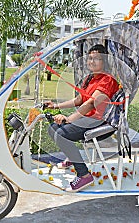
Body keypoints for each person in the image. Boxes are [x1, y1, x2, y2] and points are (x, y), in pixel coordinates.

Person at [46, 44, 119, 192]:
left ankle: (84, 175)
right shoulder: (90, 79)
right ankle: (74, 159)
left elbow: (92, 103)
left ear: (104, 61)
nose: (92, 62)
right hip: (87, 120)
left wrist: (69, 119)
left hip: (100, 122)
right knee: (52, 128)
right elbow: (79, 100)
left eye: (97, 59)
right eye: (90, 58)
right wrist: (55, 106)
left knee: (61, 133)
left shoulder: (108, 80)